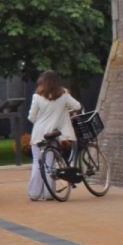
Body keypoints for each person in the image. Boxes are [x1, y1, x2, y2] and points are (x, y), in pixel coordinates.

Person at [25, 71, 81, 201]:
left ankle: (34, 193)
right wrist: (64, 110)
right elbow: (77, 106)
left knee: (36, 163)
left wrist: (40, 120)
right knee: (49, 164)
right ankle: (49, 193)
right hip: (52, 134)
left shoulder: (36, 97)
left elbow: (31, 117)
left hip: (38, 133)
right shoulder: (64, 95)